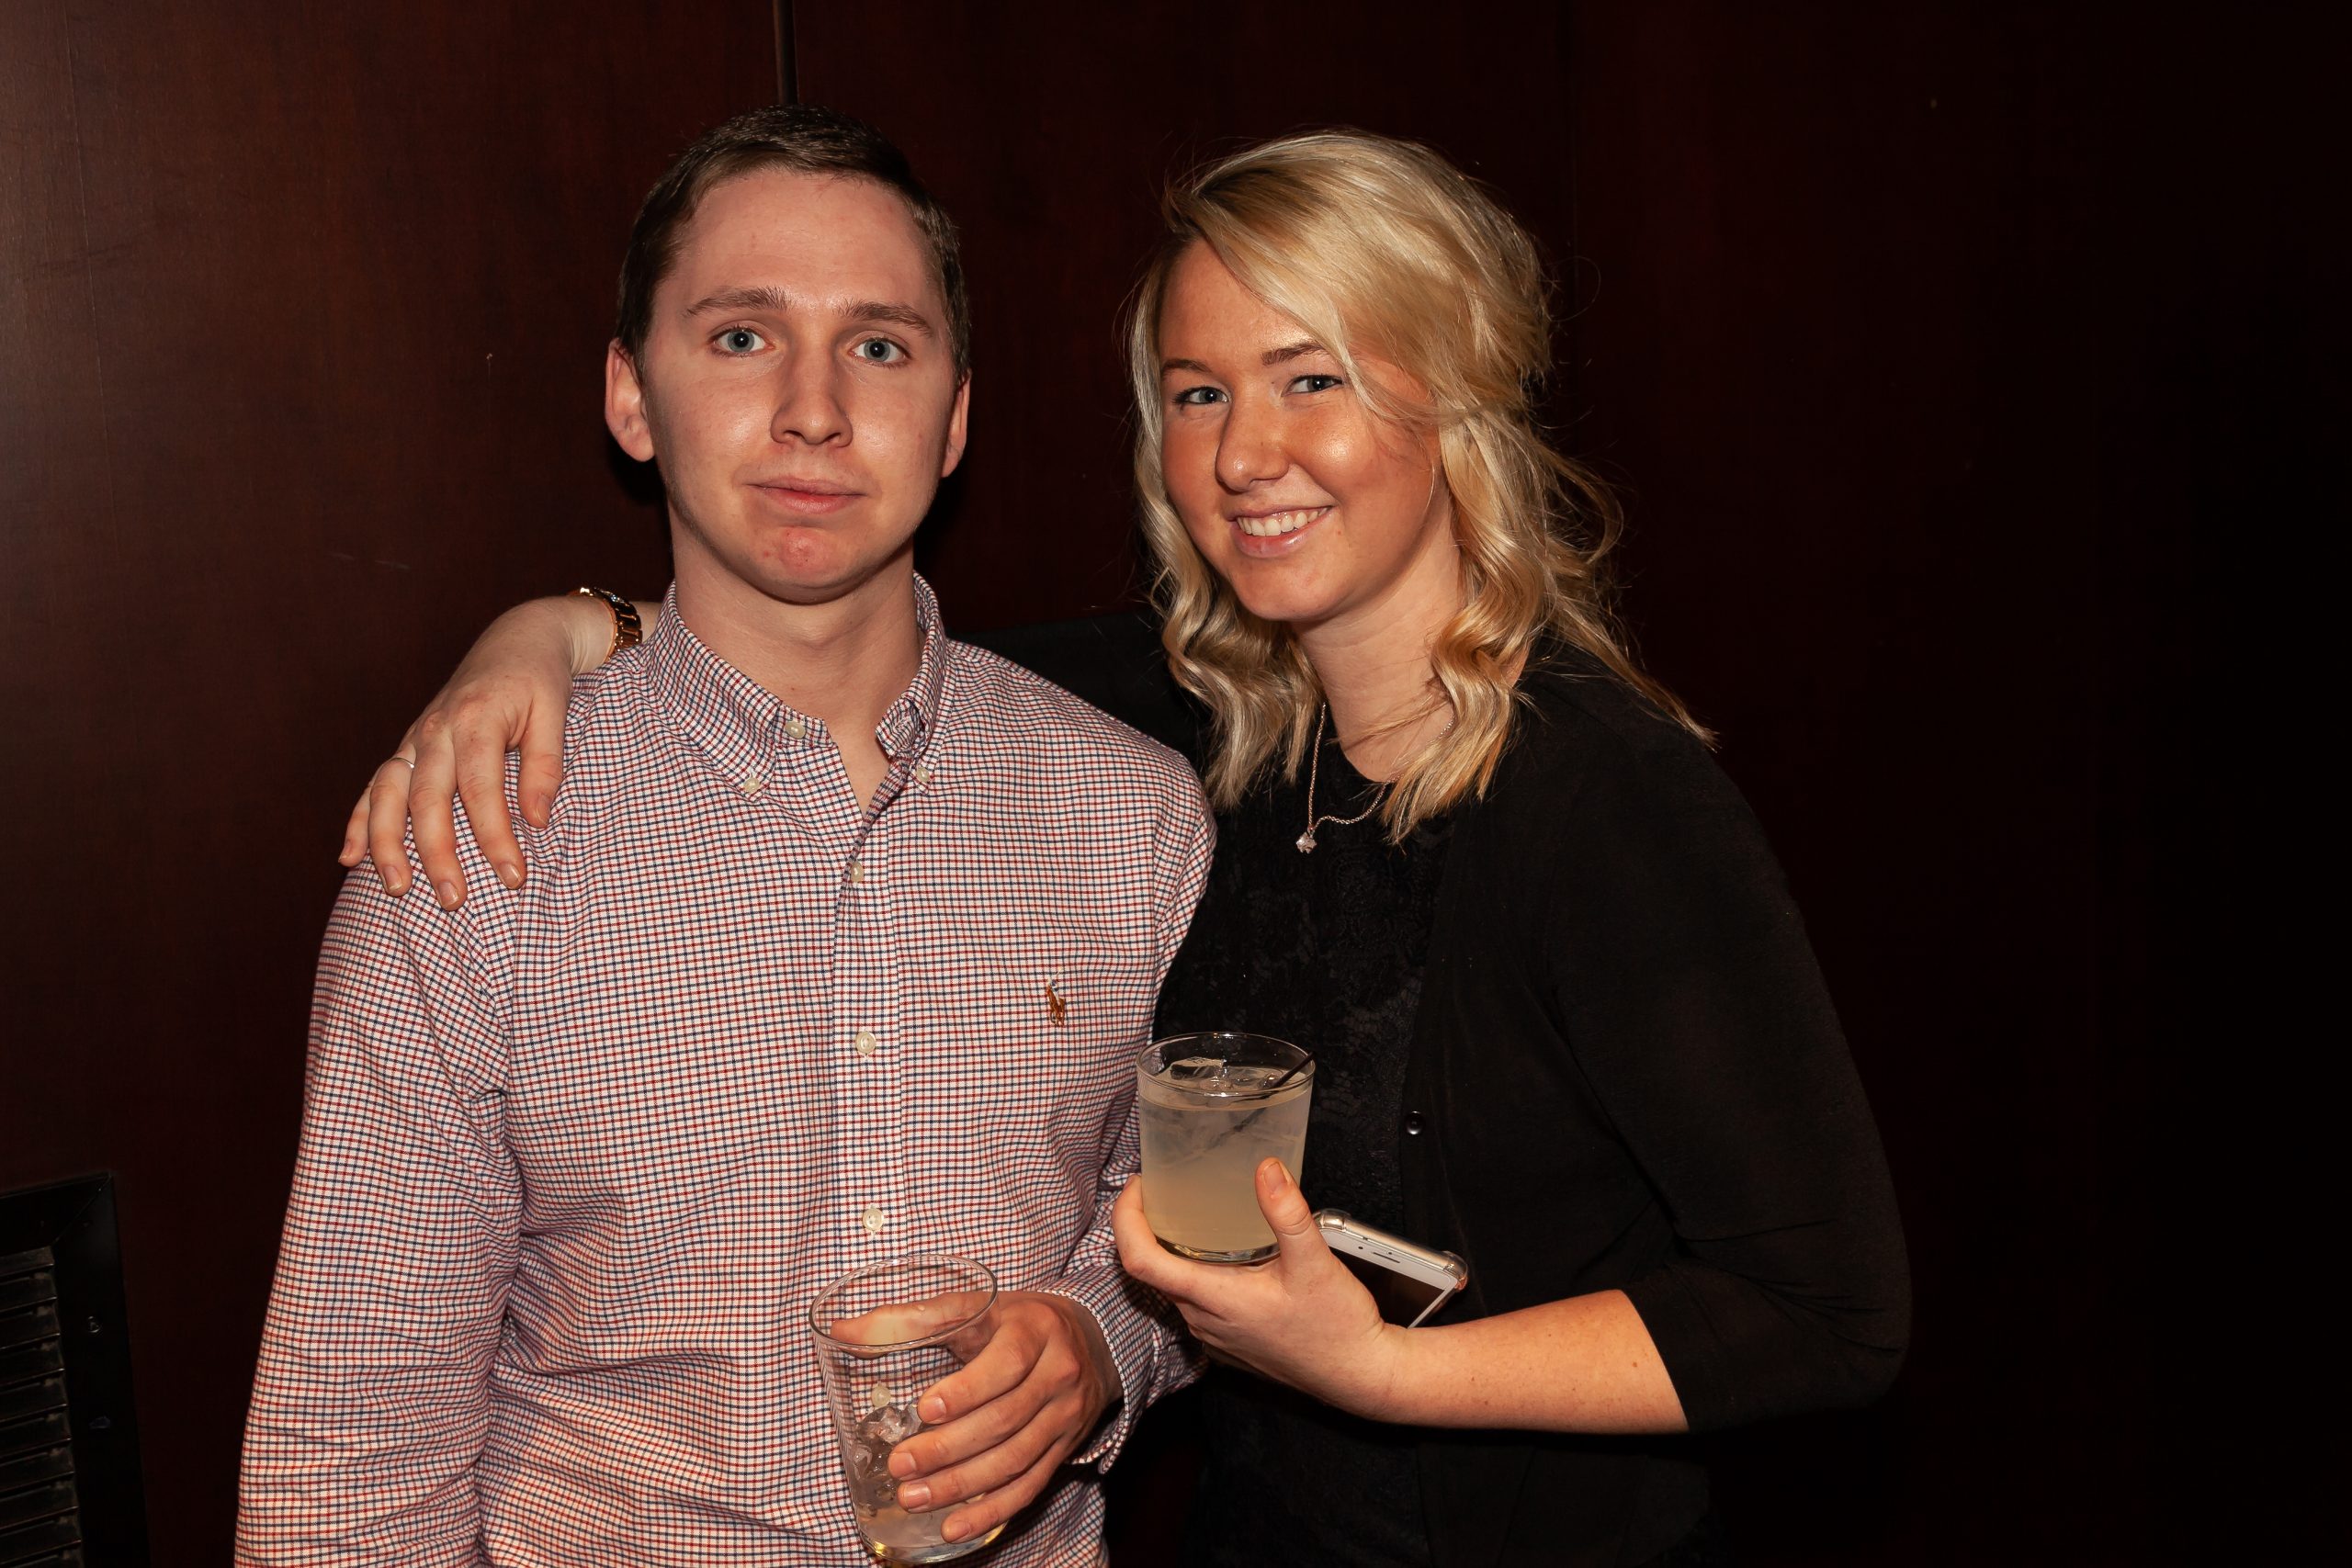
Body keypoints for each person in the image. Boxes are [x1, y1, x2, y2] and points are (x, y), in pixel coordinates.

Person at [357, 130, 1909, 1567]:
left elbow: (1830, 1315)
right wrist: (558, 631)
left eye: (1311, 378)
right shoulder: (1198, 729)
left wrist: (1378, 1369)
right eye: (1198, 392)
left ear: (1452, 396)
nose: (1245, 454)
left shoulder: (1605, 798)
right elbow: (825, 636)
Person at [237, 107, 1212, 1566]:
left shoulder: (1131, 813)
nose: (815, 409)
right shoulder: (476, 842)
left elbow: (1186, 1203)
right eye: (743, 337)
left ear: (954, 420)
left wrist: (1099, 1341)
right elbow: (352, 1449)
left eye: (879, 344)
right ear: (633, 398)